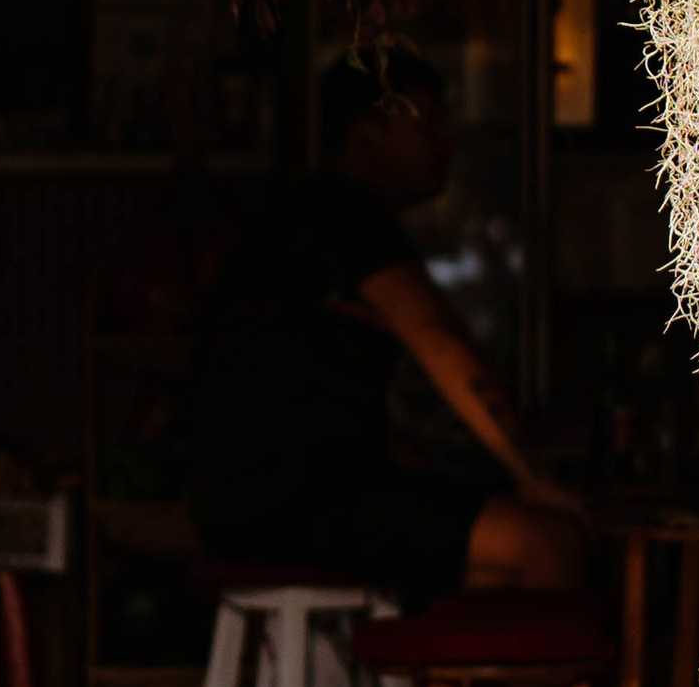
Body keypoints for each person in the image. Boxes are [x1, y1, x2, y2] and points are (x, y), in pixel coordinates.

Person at [190, 47, 584, 605]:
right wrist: (533, 474)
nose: (445, 145)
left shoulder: (307, 216)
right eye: (431, 125)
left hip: (249, 504)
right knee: (546, 542)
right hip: (290, 505)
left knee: (494, 551)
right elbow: (438, 339)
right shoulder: (342, 211)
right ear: (366, 132)